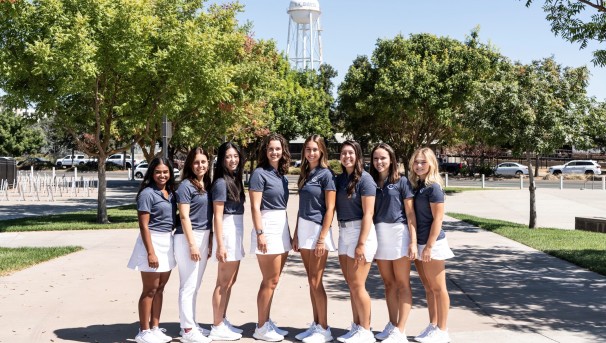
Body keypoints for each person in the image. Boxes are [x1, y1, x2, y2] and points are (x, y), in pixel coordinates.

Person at [369, 143, 417, 343]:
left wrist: (413, 242)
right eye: (375, 158)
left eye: (383, 158)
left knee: (402, 283)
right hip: (379, 234)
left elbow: (410, 213)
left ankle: (401, 330)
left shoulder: (402, 181)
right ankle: (392, 324)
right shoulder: (370, 181)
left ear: (391, 159)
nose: (379, 162)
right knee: (388, 284)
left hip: (399, 233)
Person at [127, 157, 178, 343]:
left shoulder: (170, 192)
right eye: (158, 172)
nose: (162, 175)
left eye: (165, 172)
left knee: (160, 288)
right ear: (152, 173)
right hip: (152, 242)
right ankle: (144, 331)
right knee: (150, 289)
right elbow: (144, 226)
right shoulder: (147, 194)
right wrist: (150, 252)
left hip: (167, 241)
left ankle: (155, 327)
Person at [292, 135, 336, 343]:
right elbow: (302, 208)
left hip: (319, 230)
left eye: (315, 150)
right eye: (308, 150)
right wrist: (296, 234)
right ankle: (316, 324)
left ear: (322, 152)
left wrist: (322, 238)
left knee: (316, 282)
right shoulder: (306, 173)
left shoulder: (326, 175)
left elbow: (330, 209)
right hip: (304, 229)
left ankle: (325, 328)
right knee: (311, 281)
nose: (311, 153)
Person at [249, 133, 292, 342]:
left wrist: (289, 233)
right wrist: (260, 233)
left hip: (281, 227)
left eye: (277, 148)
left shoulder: (281, 175)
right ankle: (261, 327)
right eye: (270, 149)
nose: (274, 152)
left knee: (274, 280)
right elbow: (255, 207)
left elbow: (283, 207)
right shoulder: (259, 174)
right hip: (267, 227)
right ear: (265, 152)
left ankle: (266, 321)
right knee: (269, 280)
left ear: (283, 151)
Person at [408, 148, 454, 343]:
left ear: (432, 164)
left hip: (432, 243)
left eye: (423, 162)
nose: (419, 165)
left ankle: (442, 331)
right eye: (416, 162)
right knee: (428, 287)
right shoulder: (417, 185)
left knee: (438, 288)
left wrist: (428, 246)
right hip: (419, 242)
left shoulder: (434, 187)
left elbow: (438, 219)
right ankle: (433, 325)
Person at [334, 140, 378, 343]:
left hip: (361, 232)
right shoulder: (340, 179)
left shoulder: (366, 180)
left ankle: (366, 330)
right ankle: (356, 326)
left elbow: (368, 214)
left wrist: (361, 243)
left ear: (358, 155)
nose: (347, 156)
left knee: (358, 285)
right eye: (343, 153)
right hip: (343, 232)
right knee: (351, 284)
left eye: (351, 153)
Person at [174, 148, 213, 343]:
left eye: (203, 162)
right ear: (190, 164)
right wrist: (192, 245)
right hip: (188, 238)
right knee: (188, 285)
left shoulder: (206, 184)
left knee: (195, 285)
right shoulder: (185, 187)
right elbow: (184, 217)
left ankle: (191, 324)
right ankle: (187, 330)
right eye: (197, 162)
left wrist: (209, 239)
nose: (200, 165)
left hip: (203, 236)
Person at [209, 142, 246, 341]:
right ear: (222, 160)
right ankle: (216, 325)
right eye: (228, 157)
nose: (233, 160)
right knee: (223, 282)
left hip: (236, 230)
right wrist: (221, 244)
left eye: (235, 156)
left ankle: (222, 319)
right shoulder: (222, 183)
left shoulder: (234, 179)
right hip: (228, 232)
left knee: (230, 281)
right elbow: (217, 215)